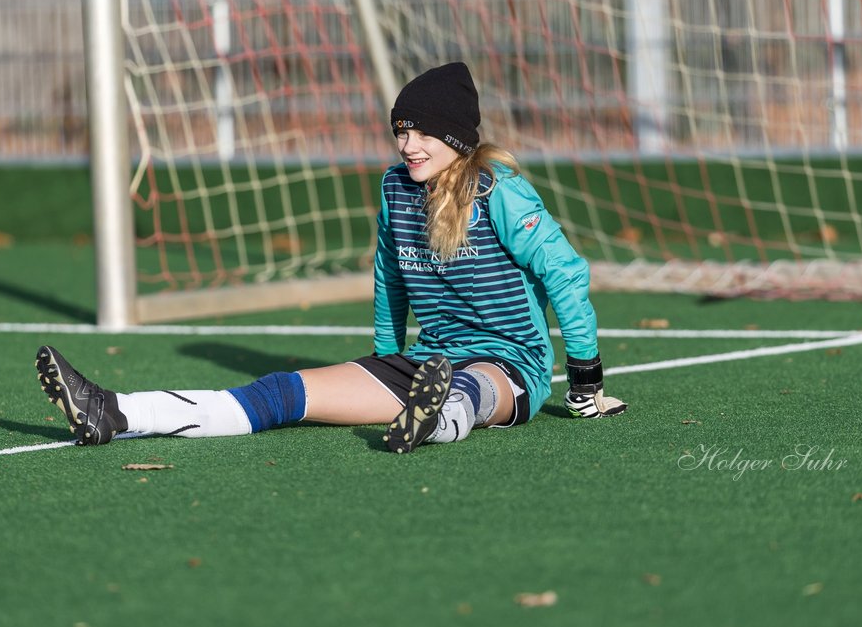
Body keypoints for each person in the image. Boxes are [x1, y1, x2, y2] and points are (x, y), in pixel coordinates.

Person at [35, 62, 627, 453]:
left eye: (421, 133)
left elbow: (566, 274)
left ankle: (441, 419)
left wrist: (584, 381)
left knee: (471, 387)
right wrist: (383, 362)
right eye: (400, 131)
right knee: (280, 392)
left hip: (507, 367)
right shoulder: (397, 188)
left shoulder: (499, 190)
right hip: (425, 363)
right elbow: (389, 279)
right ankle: (113, 410)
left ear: (457, 139)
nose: (406, 145)